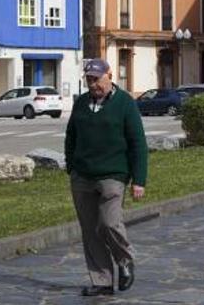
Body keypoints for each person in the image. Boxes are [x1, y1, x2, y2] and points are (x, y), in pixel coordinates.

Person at [64, 58, 148, 296]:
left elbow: (137, 143)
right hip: (82, 176)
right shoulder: (81, 103)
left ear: (109, 76)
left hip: (113, 175)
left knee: (109, 223)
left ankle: (125, 259)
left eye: (96, 79)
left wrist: (139, 180)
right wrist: (72, 166)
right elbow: (71, 136)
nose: (92, 84)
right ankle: (101, 281)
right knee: (90, 230)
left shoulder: (125, 104)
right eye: (89, 80)